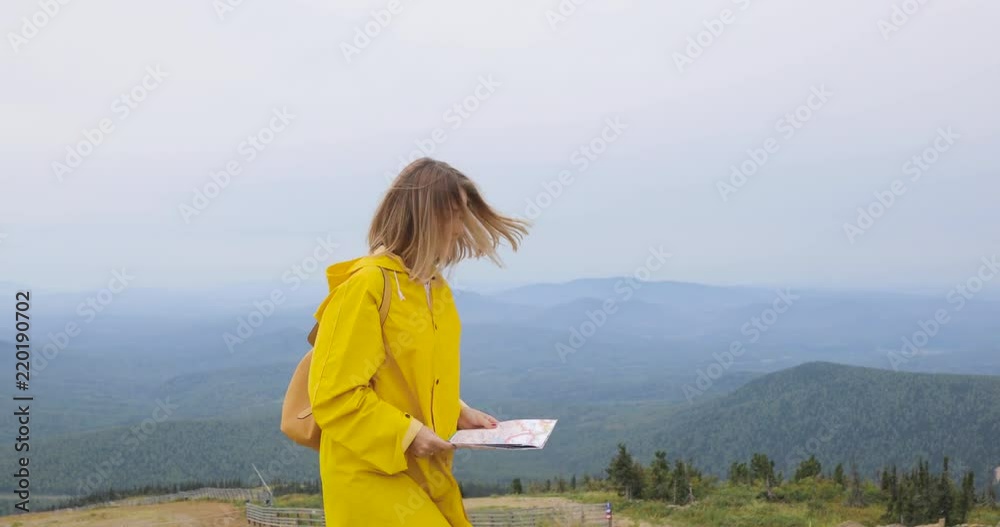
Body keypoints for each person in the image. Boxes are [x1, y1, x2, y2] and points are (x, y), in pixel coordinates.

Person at [307, 158, 529, 526]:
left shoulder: (435, 288)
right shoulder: (366, 286)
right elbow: (334, 395)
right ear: (424, 217)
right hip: (368, 474)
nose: (460, 228)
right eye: (454, 214)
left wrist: (456, 410)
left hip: (423, 471)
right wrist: (407, 434)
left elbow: (412, 375)